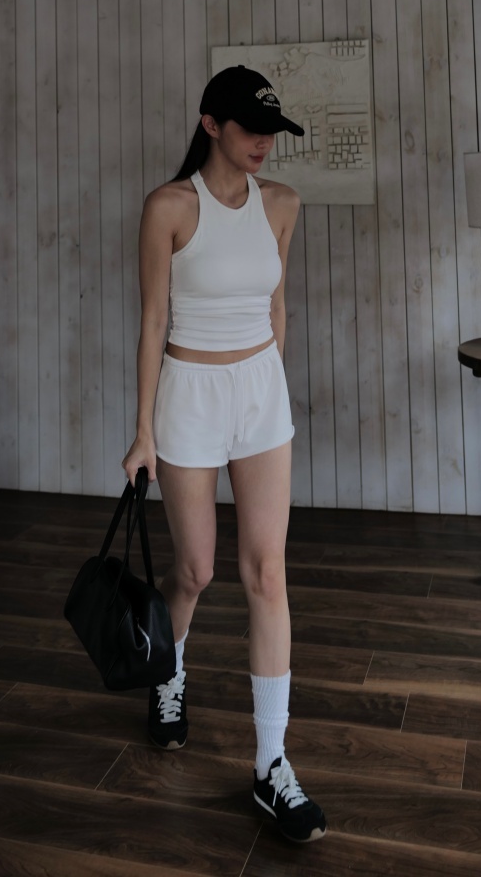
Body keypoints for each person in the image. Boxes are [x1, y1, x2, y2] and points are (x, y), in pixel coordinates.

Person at [122, 65, 327, 844]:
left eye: (271, 130)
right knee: (196, 570)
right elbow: (153, 321)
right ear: (211, 124)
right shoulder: (169, 208)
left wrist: (268, 384)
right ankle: (167, 676)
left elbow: (276, 305)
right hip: (189, 397)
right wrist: (143, 431)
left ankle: (272, 764)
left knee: (267, 573)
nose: (263, 142)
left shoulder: (284, 204)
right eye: (249, 128)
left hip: (260, 397)